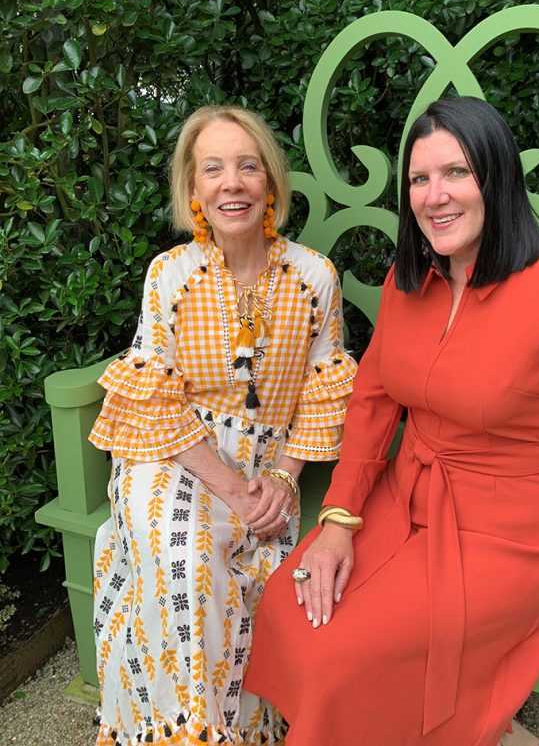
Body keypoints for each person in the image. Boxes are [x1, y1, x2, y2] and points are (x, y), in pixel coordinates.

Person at [244, 96, 539, 746]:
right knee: (292, 608)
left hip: (508, 528)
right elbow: (373, 401)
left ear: (497, 178)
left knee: (347, 651)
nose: (435, 196)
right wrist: (339, 520)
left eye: (456, 172)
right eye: (419, 178)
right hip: (406, 497)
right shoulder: (409, 275)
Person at [88, 106, 357, 746]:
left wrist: (286, 481)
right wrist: (229, 487)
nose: (231, 182)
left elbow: (324, 391)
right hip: (173, 452)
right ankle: (195, 735)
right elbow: (153, 398)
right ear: (193, 190)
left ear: (270, 182)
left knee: (245, 560)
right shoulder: (170, 274)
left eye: (247, 165)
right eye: (213, 169)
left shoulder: (314, 276)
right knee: (179, 555)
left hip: (268, 465)